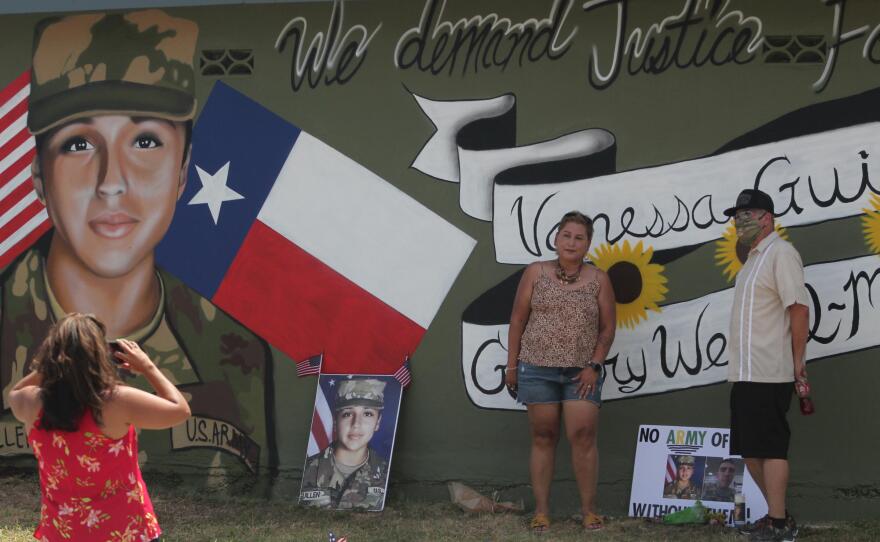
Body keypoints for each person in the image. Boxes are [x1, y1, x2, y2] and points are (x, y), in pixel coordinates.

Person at [0, 9, 272, 477]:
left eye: (145, 142)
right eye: (78, 145)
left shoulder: (232, 349)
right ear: (39, 177)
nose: (111, 183)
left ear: (184, 171)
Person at [8, 313, 191, 542]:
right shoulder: (117, 401)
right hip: (126, 530)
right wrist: (148, 367)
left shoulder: (30, 402)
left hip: (63, 532)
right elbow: (180, 410)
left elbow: (13, 393)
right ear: (100, 355)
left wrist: (51, 365)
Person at [505, 210, 616, 532]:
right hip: (536, 369)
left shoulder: (599, 279)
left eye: (579, 237)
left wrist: (595, 365)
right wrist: (512, 366)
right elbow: (517, 320)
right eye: (566, 235)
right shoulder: (535, 273)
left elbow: (608, 329)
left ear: (588, 243)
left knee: (582, 436)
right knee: (543, 436)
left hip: (581, 373)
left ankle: (588, 511)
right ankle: (542, 511)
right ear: (555, 239)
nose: (571, 242)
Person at [724, 188, 808, 541]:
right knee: (750, 449)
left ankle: (778, 525)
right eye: (737, 214)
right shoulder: (752, 261)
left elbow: (799, 308)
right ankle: (779, 516)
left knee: (771, 447)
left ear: (767, 218)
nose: (741, 220)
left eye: (749, 213)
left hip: (770, 369)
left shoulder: (781, 254)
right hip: (743, 371)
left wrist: (798, 362)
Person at [300, 378, 390, 510]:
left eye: (367, 414)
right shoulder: (306, 470)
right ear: (335, 422)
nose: (356, 424)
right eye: (347, 414)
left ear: (377, 422)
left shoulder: (386, 474)